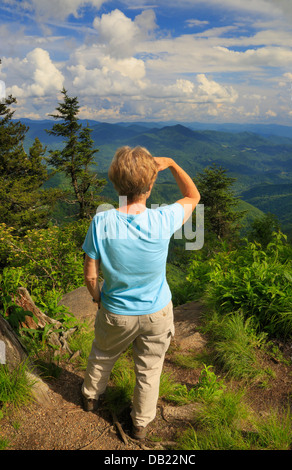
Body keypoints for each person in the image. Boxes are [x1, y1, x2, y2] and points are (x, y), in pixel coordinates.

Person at [81, 146, 200, 440]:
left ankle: (90, 398)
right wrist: (171, 163)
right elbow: (193, 196)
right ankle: (141, 424)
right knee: (149, 369)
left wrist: (98, 298)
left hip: (116, 311)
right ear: (149, 186)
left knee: (102, 353)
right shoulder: (163, 219)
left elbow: (90, 275)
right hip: (157, 312)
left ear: (116, 183)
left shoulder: (102, 221)